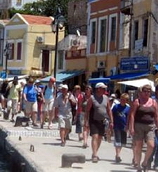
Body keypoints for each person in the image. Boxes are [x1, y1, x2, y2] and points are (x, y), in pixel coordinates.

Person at [129, 84, 158, 172]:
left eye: (148, 91)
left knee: (151, 145)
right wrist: (131, 127)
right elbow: (132, 115)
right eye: (145, 91)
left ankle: (145, 162)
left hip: (150, 126)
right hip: (138, 126)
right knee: (139, 146)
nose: (147, 93)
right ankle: (138, 166)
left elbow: (156, 116)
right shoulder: (137, 101)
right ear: (141, 92)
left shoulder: (153, 102)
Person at [86, 82, 113, 163]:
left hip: (102, 120)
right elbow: (87, 110)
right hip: (93, 120)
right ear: (98, 89)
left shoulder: (106, 98)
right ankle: (94, 155)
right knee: (95, 136)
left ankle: (95, 152)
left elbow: (109, 110)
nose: (105, 90)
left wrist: (111, 120)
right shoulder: (92, 98)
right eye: (103, 88)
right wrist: (86, 122)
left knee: (100, 138)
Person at [112, 93, 130, 163]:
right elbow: (112, 115)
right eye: (121, 99)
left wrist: (128, 126)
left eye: (124, 100)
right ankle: (117, 155)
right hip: (117, 126)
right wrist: (112, 123)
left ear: (126, 101)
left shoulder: (128, 108)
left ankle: (118, 154)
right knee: (118, 141)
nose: (122, 101)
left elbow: (128, 118)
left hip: (124, 127)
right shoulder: (116, 107)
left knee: (122, 142)